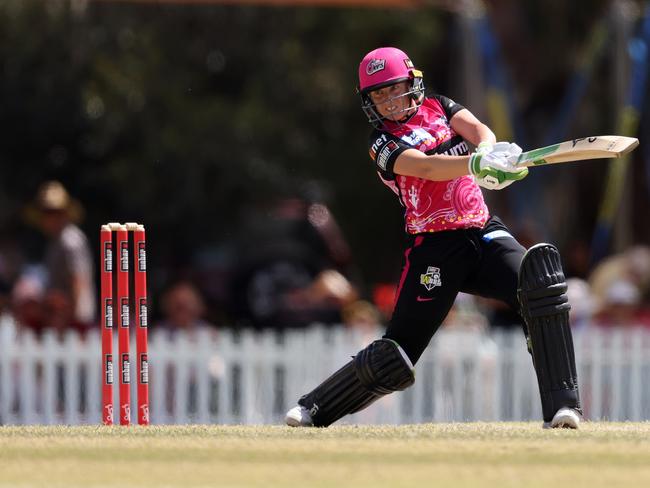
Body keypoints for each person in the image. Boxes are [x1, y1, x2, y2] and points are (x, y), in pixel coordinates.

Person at [285, 47, 581, 429]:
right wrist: (475, 163)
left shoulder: (440, 105)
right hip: (434, 248)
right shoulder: (382, 142)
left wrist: (491, 152)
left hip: (482, 230)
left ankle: (563, 408)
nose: (389, 101)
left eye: (394, 89)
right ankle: (314, 408)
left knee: (538, 286)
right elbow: (426, 167)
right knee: (398, 352)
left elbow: (477, 129)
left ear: (412, 83)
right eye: (379, 95)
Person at [30, 181, 96, 328]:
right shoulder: (55, 242)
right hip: (59, 316)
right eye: (45, 212)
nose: (46, 217)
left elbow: (78, 279)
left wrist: (70, 314)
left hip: (74, 318)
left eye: (51, 212)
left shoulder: (71, 241)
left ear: (63, 213)